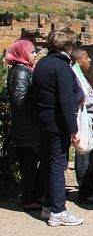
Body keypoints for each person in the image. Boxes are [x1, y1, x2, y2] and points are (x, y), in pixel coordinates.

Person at [32, 28, 84, 226]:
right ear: (68, 47)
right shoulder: (62, 68)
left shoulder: (43, 64)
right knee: (58, 167)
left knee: (47, 164)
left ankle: (48, 205)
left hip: (43, 121)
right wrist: (73, 128)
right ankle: (58, 211)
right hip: (57, 124)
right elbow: (65, 100)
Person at [6, 39, 48, 212]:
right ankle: (37, 195)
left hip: (28, 126)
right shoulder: (20, 72)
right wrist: (42, 97)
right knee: (47, 160)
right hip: (29, 127)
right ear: (22, 53)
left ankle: (31, 197)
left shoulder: (23, 70)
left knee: (30, 164)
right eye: (32, 52)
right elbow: (19, 100)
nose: (35, 55)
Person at [70, 47, 93, 204]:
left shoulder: (81, 77)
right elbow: (84, 99)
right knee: (84, 158)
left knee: (92, 157)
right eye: (86, 57)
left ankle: (92, 187)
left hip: (90, 122)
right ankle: (85, 192)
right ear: (78, 61)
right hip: (83, 123)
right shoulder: (75, 77)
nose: (90, 60)